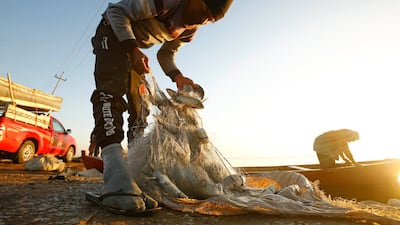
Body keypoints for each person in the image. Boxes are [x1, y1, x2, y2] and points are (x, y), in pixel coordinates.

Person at [87, 0, 233, 215]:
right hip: (112, 31)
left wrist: (177, 76)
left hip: (134, 47)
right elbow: (116, 12)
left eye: (209, 20)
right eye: (203, 11)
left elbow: (165, 54)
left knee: (140, 107)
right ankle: (114, 170)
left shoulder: (189, 30)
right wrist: (133, 49)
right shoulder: (168, 2)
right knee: (111, 91)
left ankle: (132, 174)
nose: (202, 20)